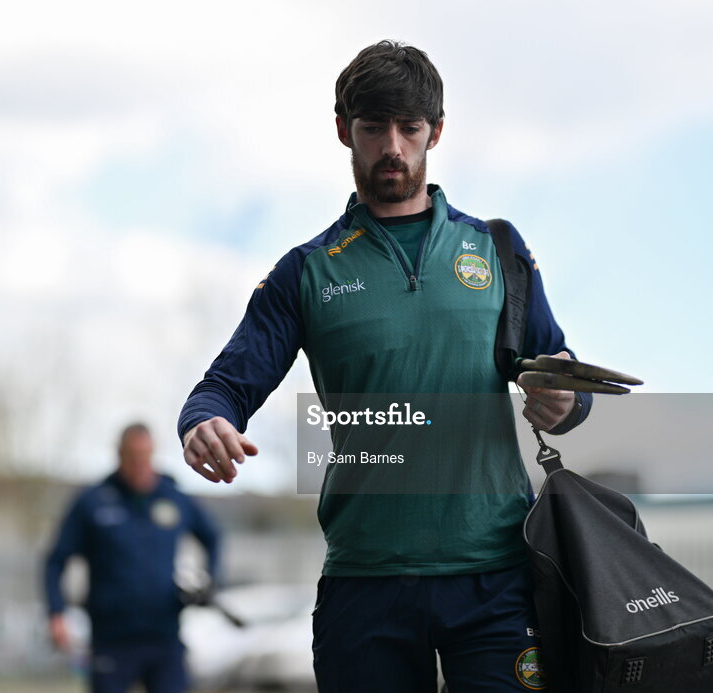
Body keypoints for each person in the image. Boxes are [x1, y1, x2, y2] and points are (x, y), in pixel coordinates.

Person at [178, 40, 592, 691]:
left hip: (495, 579)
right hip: (365, 581)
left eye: (410, 127)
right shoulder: (307, 271)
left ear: (437, 132)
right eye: (373, 128)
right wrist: (203, 422)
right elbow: (224, 386)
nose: (392, 146)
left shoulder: (498, 252)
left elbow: (562, 376)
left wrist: (566, 400)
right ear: (344, 130)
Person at [44, 422, 221, 693]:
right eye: (132, 456)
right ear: (119, 455)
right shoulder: (93, 501)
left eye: (145, 456)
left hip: (165, 635)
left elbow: (212, 536)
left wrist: (210, 579)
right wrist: (57, 613)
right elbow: (55, 561)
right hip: (112, 637)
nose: (139, 464)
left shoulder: (173, 497)